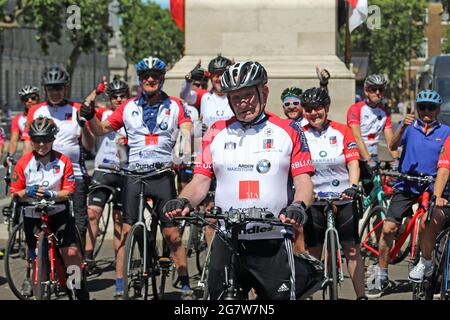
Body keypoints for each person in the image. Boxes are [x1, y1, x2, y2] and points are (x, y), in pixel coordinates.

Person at [164, 61, 323, 300]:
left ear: (264, 92)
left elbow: (303, 181)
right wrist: (183, 199)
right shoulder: (215, 132)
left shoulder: (289, 130)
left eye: (248, 94)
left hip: (273, 240)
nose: (243, 102)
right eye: (235, 97)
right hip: (227, 239)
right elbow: (201, 180)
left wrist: (298, 206)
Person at [80, 56, 195, 299]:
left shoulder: (175, 105)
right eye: (145, 77)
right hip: (133, 175)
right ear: (141, 80)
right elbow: (101, 129)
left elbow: (186, 129)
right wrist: (90, 116)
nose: (150, 80)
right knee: (125, 229)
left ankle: (184, 281)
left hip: (162, 175)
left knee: (172, 233)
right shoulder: (127, 106)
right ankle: (120, 284)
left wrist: (183, 149)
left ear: (162, 79)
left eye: (155, 76)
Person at [367, 89, 450, 298]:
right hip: (407, 184)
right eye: (422, 107)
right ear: (416, 108)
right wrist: (402, 126)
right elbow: (393, 145)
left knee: (425, 223)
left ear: (438, 109)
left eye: (431, 107)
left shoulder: (446, 132)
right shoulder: (410, 128)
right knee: (388, 228)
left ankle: (426, 263)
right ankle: (382, 272)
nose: (426, 112)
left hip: (431, 186)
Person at [10, 117, 89, 299]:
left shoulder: (64, 161)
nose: (42, 144)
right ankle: (38, 293)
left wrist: (52, 195)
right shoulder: (23, 163)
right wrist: (26, 192)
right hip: (32, 214)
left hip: (58, 211)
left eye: (46, 139)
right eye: (37, 140)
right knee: (36, 261)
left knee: (70, 252)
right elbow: (14, 192)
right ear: (32, 140)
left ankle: (77, 287)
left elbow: (68, 192)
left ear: (53, 139)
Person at [300, 87, 366, 299]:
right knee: (313, 251)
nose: (313, 113)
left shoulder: (342, 130)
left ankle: (361, 295)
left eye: (317, 108)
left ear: (326, 108)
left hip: (343, 196)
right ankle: (309, 294)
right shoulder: (299, 133)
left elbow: (353, 162)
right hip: (315, 199)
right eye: (308, 109)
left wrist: (353, 186)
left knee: (352, 250)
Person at [25, 66, 95, 241]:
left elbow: (89, 145)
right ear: (45, 90)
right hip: (44, 171)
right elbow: (28, 142)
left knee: (79, 219)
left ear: (65, 88)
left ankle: (78, 262)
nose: (55, 92)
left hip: (74, 171)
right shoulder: (36, 110)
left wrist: (83, 127)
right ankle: (36, 260)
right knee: (36, 218)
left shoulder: (77, 108)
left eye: (58, 88)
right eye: (50, 88)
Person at [84, 79, 129, 299]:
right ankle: (88, 257)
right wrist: (97, 90)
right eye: (114, 96)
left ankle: (120, 279)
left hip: (124, 172)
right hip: (102, 170)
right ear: (109, 98)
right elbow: (86, 108)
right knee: (92, 213)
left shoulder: (131, 115)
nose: (118, 99)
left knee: (119, 224)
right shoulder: (101, 114)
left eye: (122, 95)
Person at [347, 74, 399, 193]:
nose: (377, 92)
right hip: (356, 157)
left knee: (374, 191)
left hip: (374, 158)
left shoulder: (384, 113)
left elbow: (390, 140)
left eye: (380, 89)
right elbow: (356, 136)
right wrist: (368, 159)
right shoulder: (355, 109)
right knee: (352, 193)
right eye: (373, 89)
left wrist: (396, 158)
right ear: (366, 90)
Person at [408, 135, 450, 283]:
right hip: (447, 198)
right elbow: (444, 170)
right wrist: (437, 197)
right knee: (430, 217)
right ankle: (425, 261)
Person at [4, 85, 39, 167]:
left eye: (33, 98)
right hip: (29, 153)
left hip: (48, 151)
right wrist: (9, 156)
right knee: (27, 142)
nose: (30, 101)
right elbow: (13, 141)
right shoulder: (18, 119)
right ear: (23, 102)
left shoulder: (46, 112)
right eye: (26, 99)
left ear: (38, 98)